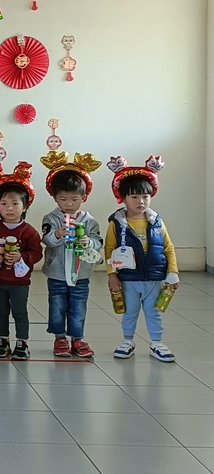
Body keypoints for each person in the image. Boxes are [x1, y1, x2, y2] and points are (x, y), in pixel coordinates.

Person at [105, 155, 179, 362]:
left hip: (154, 278)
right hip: (128, 279)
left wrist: (172, 272)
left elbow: (168, 247)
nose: (141, 201)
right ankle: (127, 341)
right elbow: (109, 249)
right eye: (135, 197)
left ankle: (157, 343)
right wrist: (112, 275)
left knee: (154, 312)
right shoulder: (116, 224)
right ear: (123, 198)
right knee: (129, 312)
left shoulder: (157, 223)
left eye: (145, 196)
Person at [39, 151, 104, 359]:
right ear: (55, 197)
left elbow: (98, 242)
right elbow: (46, 240)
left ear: (83, 197)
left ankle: (77, 338)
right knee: (57, 305)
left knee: (78, 306)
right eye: (63, 199)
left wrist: (88, 242)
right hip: (57, 273)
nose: (68, 204)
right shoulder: (51, 218)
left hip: (81, 274)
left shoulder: (89, 221)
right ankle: (59, 338)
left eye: (74, 199)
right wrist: (57, 234)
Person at [0, 162, 43, 360]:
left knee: (19, 312)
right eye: (4, 204)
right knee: (0, 311)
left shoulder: (28, 231)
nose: (9, 208)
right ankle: (2, 341)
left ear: (24, 207)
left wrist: (21, 256)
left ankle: (22, 343)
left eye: (15, 204)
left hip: (19, 281)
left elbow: (37, 253)